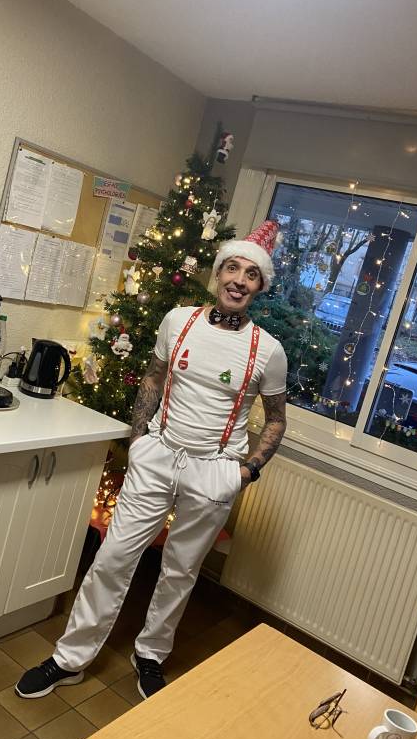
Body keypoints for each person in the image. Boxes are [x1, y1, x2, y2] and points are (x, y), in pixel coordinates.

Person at [15, 220, 288, 701]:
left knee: (180, 571)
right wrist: (140, 438)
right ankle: (70, 658)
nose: (239, 281)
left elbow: (277, 420)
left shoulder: (268, 350)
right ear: (218, 273)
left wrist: (245, 471)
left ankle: (151, 655)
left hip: (214, 469)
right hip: (158, 454)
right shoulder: (178, 320)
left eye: (251, 274)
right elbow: (153, 377)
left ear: (260, 286)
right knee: (113, 557)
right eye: (232, 268)